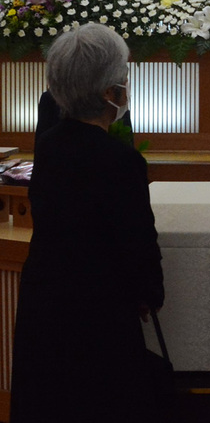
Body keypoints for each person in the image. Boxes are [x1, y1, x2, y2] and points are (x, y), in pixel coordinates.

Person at [11, 23, 164, 423]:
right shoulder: (121, 161)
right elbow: (137, 243)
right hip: (100, 313)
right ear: (109, 93)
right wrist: (150, 293)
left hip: (44, 303)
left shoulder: (48, 146)